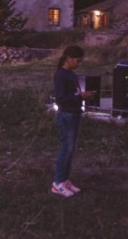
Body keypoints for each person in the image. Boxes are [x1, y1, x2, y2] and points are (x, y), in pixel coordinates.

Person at [51, 45, 96, 198]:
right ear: (68, 59)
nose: (79, 64)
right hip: (66, 115)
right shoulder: (60, 75)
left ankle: (64, 180)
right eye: (77, 61)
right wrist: (80, 97)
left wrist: (83, 96)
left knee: (71, 149)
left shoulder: (72, 75)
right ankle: (57, 183)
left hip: (75, 113)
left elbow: (74, 94)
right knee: (66, 148)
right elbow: (61, 98)